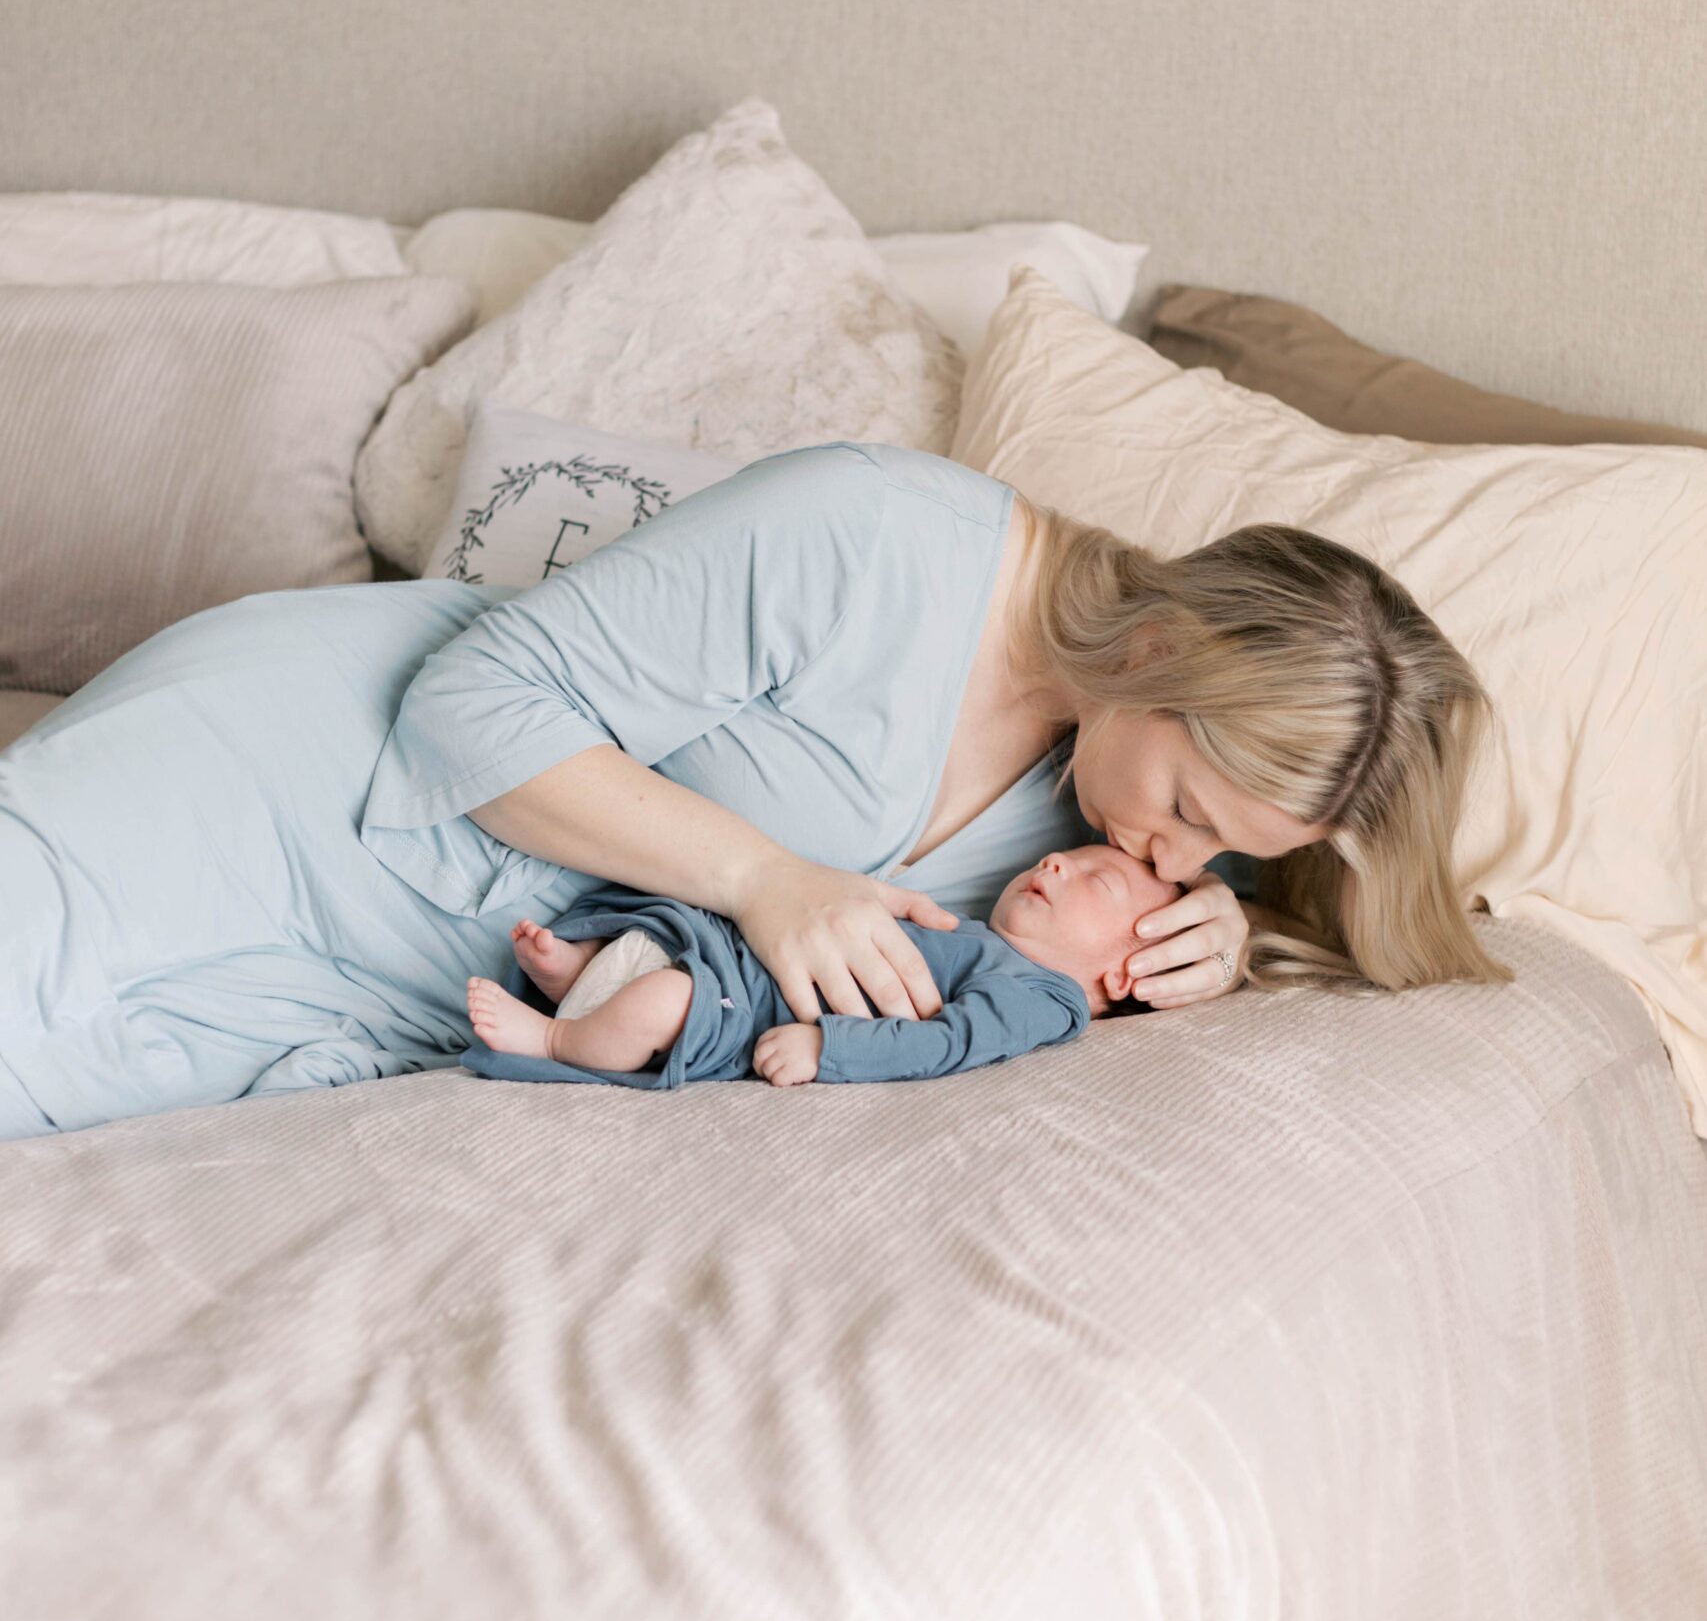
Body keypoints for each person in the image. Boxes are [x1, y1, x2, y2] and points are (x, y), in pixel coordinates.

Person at [0, 438, 1508, 1141]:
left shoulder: (1116, 797)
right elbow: (474, 705)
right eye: (1182, 813)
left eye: (1207, 858)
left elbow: (1285, 881)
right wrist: (760, 880)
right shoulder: (868, 539)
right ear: (1162, 643)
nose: (1163, 857)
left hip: (395, 988)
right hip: (273, 790)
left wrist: (1235, 931)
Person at [460, 843, 1183, 1091]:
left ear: (1121, 976)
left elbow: (945, 1043)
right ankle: (576, 974)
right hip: (740, 950)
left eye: (1098, 880)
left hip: (754, 1008)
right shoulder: (973, 929)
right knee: (656, 925)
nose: (1058, 860)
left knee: (664, 1005)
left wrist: (827, 1047)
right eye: (1069, 854)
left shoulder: (1045, 998)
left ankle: (555, 1039)